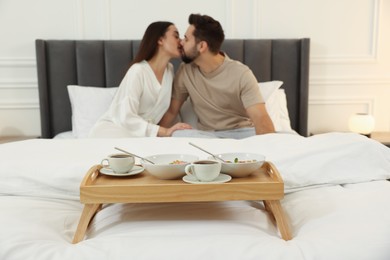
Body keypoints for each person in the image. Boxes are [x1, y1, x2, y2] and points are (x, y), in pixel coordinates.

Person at [159, 14, 275, 139]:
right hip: (208, 136)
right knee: (178, 134)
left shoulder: (241, 74)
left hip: (241, 134)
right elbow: (172, 111)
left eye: (186, 39)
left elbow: (260, 117)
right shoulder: (185, 71)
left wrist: (268, 148)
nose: (181, 42)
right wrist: (158, 138)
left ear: (202, 46)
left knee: (278, 138)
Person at [89, 21, 192, 138]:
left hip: (143, 137)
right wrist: (164, 131)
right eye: (176, 36)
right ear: (160, 40)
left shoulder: (169, 71)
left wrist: (172, 131)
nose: (181, 41)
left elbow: (169, 111)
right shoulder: (138, 71)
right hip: (114, 131)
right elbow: (126, 116)